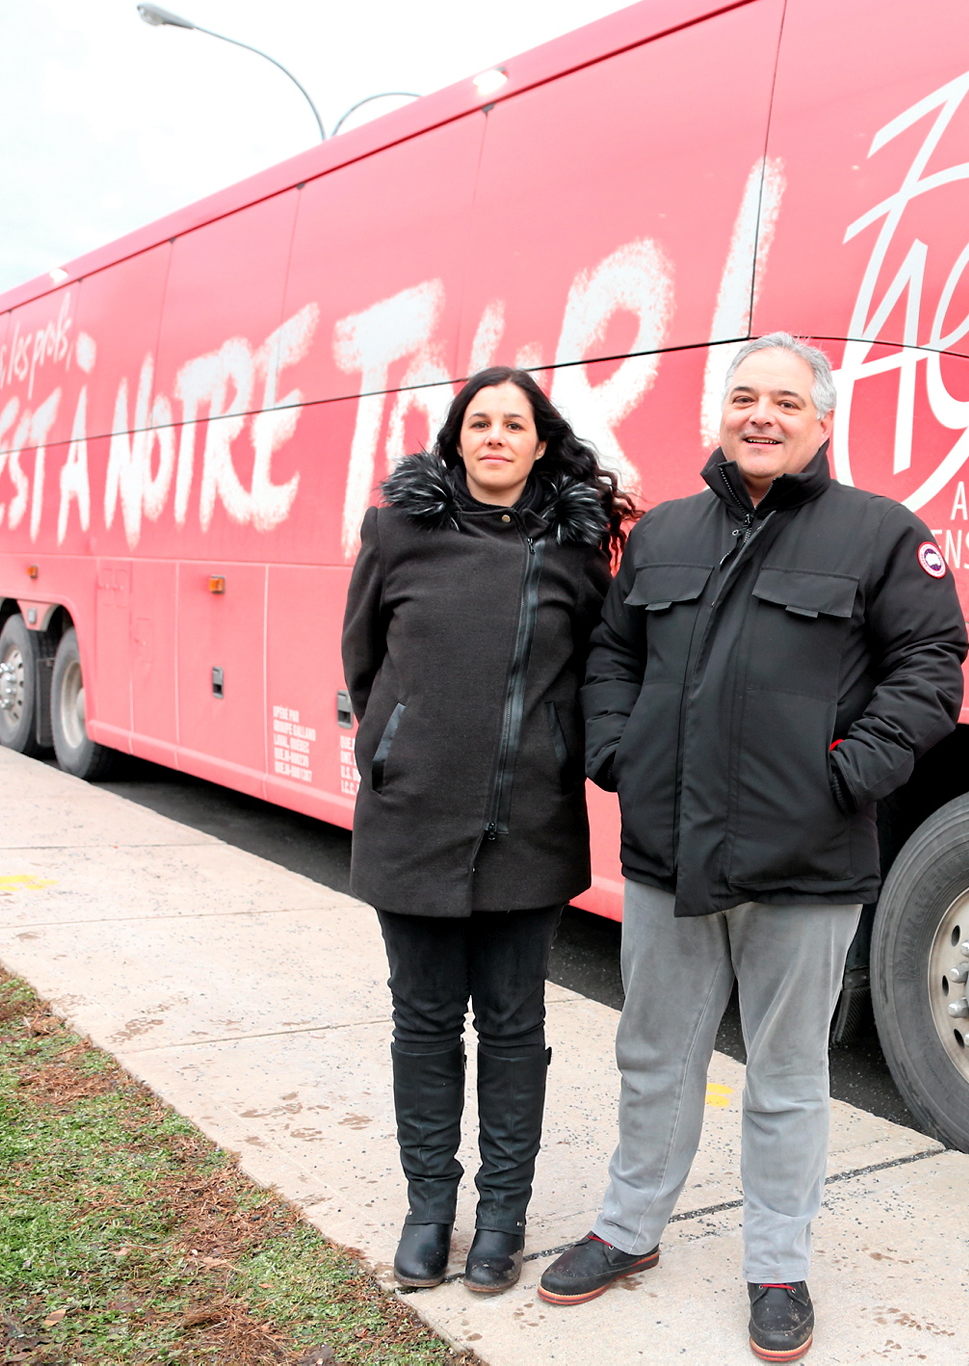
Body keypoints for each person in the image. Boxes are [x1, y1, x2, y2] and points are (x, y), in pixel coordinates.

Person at [538, 334, 968, 1361]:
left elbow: (931, 666)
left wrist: (844, 777)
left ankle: (777, 1264)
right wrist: (617, 753)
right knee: (654, 1055)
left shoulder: (879, 533)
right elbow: (612, 653)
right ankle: (629, 1226)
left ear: (822, 422)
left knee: (785, 1074)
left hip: (806, 863)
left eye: (783, 400)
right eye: (741, 397)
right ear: (718, 416)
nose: (759, 414)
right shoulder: (665, 535)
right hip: (667, 854)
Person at [342, 366, 633, 1294]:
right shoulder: (399, 530)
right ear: (456, 438)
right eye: (481, 422)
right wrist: (394, 746)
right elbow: (362, 659)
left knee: (514, 1026)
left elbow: (597, 677)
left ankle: (503, 1216)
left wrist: (552, 757)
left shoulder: (577, 553)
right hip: (412, 819)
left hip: (529, 830)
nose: (497, 436)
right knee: (422, 1022)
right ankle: (431, 1210)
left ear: (541, 442)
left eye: (516, 423)